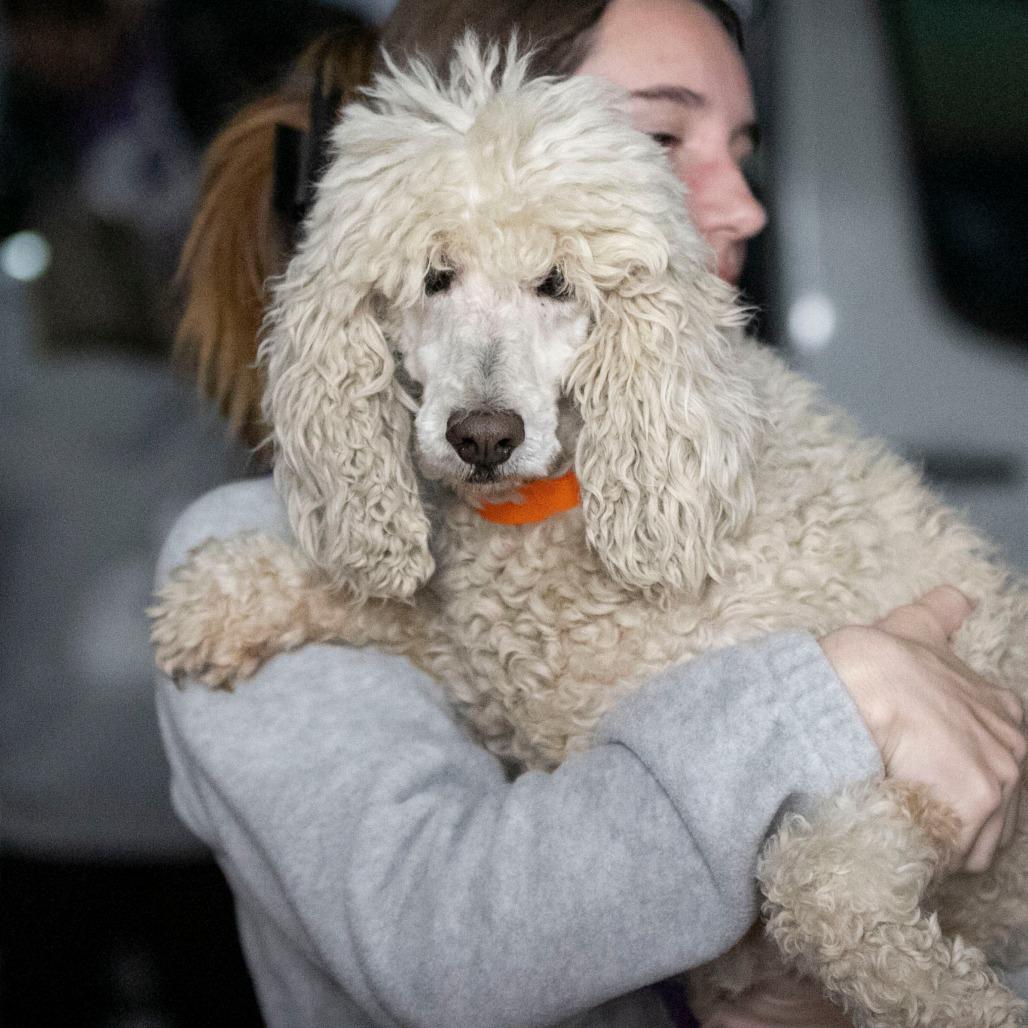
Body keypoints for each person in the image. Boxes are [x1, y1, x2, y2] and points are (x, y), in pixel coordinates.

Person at [155, 2, 1027, 1026]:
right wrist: (834, 693)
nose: (743, 207)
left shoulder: (721, 457)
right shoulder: (251, 539)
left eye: (742, 150)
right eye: (659, 138)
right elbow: (449, 940)